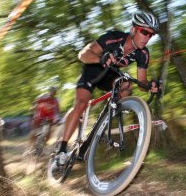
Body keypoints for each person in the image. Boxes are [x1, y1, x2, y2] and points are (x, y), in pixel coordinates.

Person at [56, 11, 160, 165]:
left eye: (151, 35)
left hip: (111, 75)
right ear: (133, 30)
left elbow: (142, 81)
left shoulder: (143, 54)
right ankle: (62, 150)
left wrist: (150, 86)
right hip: (93, 70)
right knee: (81, 104)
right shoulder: (114, 37)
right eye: (144, 32)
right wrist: (101, 58)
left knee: (126, 85)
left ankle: (106, 119)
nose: (147, 38)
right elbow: (83, 54)